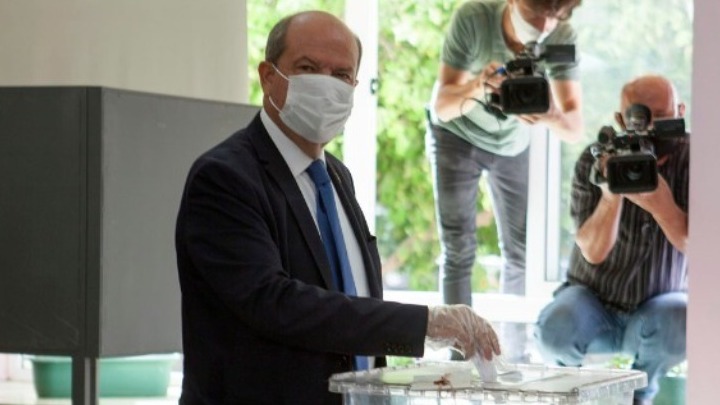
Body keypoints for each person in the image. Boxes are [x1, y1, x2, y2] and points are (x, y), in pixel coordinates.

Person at [175, 10, 501, 405]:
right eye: (308, 67)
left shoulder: (336, 177)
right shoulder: (225, 178)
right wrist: (424, 324)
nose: (326, 85)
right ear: (267, 76)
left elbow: (354, 303)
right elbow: (275, 304)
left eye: (342, 75)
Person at [426, 0, 584, 361]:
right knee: (459, 248)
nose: (543, 25)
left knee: (521, 251)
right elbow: (442, 106)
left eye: (555, 16)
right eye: (535, 14)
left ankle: (511, 356)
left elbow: (574, 128)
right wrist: (479, 86)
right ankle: (461, 357)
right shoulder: (474, 18)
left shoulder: (561, 36)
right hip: (457, 134)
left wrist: (549, 114)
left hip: (512, 144)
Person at [534, 74, 688, 405]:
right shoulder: (596, 160)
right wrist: (611, 193)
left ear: (681, 112)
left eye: (663, 117)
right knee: (555, 331)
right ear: (621, 119)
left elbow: (701, 249)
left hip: (658, 312)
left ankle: (640, 396)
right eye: (641, 118)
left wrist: (662, 206)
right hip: (591, 303)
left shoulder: (698, 162)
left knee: (684, 318)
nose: (651, 128)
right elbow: (593, 252)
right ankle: (572, 395)